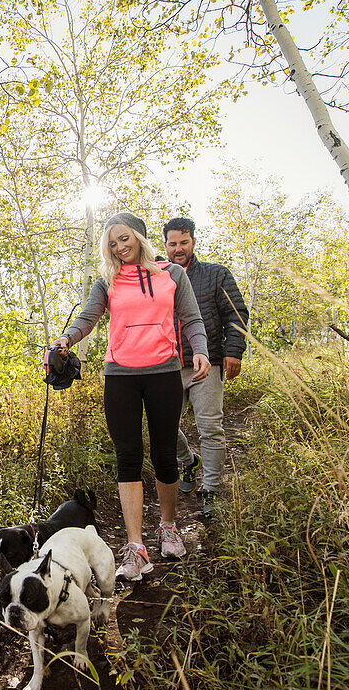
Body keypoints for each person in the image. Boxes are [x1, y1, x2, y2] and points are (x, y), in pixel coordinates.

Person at [53, 213, 210, 582]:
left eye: (124, 239)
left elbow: (192, 318)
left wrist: (200, 349)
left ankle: (168, 527)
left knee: (164, 452)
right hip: (120, 377)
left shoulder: (172, 274)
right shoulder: (106, 281)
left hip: (165, 373)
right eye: (112, 243)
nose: (120, 247)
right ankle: (136, 547)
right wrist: (66, 340)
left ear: (138, 237)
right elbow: (87, 319)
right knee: (128, 457)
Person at [162, 216, 249, 517]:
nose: (178, 248)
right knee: (164, 428)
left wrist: (233, 351)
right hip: (168, 365)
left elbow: (236, 313)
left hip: (206, 364)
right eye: (173, 243)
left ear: (194, 242)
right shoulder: (158, 277)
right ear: (165, 245)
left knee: (210, 428)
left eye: (184, 242)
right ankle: (188, 462)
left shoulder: (215, 275)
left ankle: (211, 488)